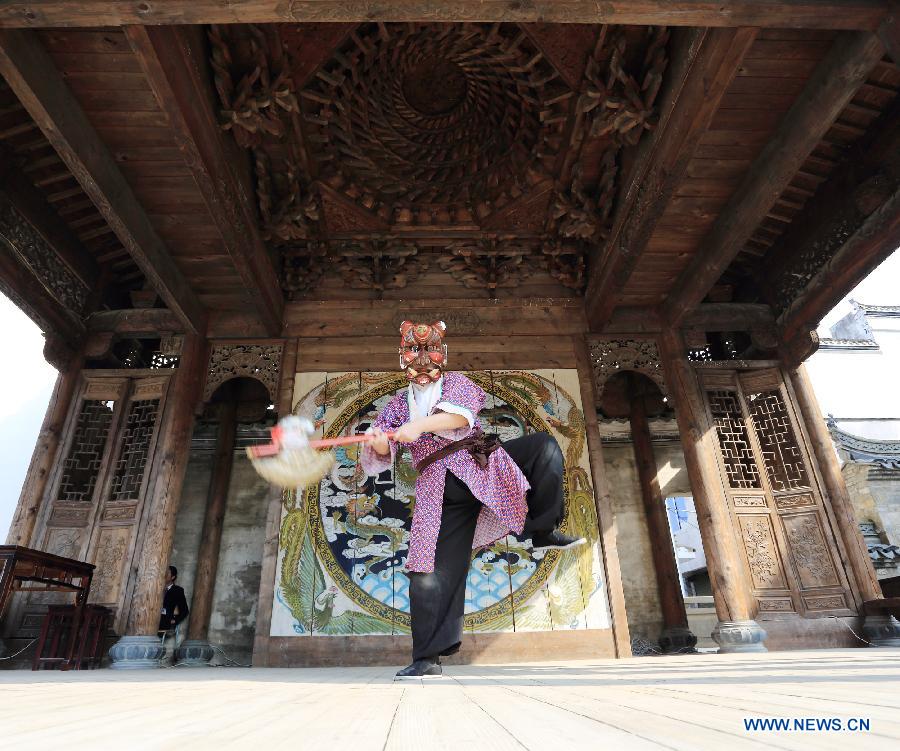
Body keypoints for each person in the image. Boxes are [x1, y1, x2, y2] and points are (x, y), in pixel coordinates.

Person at [360, 320, 584, 680]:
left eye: (428, 349)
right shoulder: (395, 407)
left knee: (544, 448)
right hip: (439, 489)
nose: (420, 358)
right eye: (412, 350)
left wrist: (420, 426)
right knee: (426, 570)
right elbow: (381, 454)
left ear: (442, 354)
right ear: (402, 356)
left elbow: (460, 417)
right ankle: (427, 657)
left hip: (480, 463)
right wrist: (380, 442)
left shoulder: (458, 384)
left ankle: (541, 529)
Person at [158, 565, 190, 633]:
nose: (165, 574)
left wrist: (175, 620)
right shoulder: (157, 586)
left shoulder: (178, 590)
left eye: (167, 573)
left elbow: (185, 610)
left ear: (173, 577)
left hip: (164, 622)